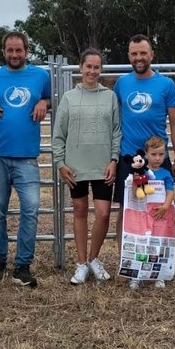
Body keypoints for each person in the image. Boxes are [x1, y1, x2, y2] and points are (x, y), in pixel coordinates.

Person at [0, 31, 51, 287]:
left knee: (30, 209)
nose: (14, 54)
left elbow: (51, 97)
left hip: (27, 157)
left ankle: (23, 265)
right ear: (4, 51)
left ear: (27, 51)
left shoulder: (41, 75)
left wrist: (44, 101)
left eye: (19, 50)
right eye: (10, 50)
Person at [50, 47, 120, 285]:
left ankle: (94, 258)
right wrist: (60, 164)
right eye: (88, 66)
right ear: (80, 68)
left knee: (103, 214)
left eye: (96, 67)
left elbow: (116, 132)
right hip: (76, 166)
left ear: (101, 69)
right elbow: (58, 134)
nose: (92, 71)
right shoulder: (69, 98)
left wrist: (114, 159)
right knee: (79, 211)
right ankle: (81, 263)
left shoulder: (110, 96)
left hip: (102, 166)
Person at [113, 34, 175, 233]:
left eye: (143, 53)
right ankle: (124, 260)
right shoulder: (121, 84)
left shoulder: (166, 85)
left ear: (152, 55)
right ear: (128, 56)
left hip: (158, 158)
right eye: (134, 54)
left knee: (158, 206)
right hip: (129, 157)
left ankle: (157, 257)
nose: (139, 58)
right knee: (126, 209)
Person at [127, 135, 175, 291]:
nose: (157, 158)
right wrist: (135, 180)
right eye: (154, 154)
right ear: (146, 154)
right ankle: (137, 274)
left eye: (161, 154)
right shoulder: (141, 172)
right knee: (142, 242)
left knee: (159, 242)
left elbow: (170, 192)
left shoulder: (166, 174)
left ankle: (159, 274)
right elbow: (135, 194)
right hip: (143, 214)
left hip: (161, 214)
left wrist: (165, 207)